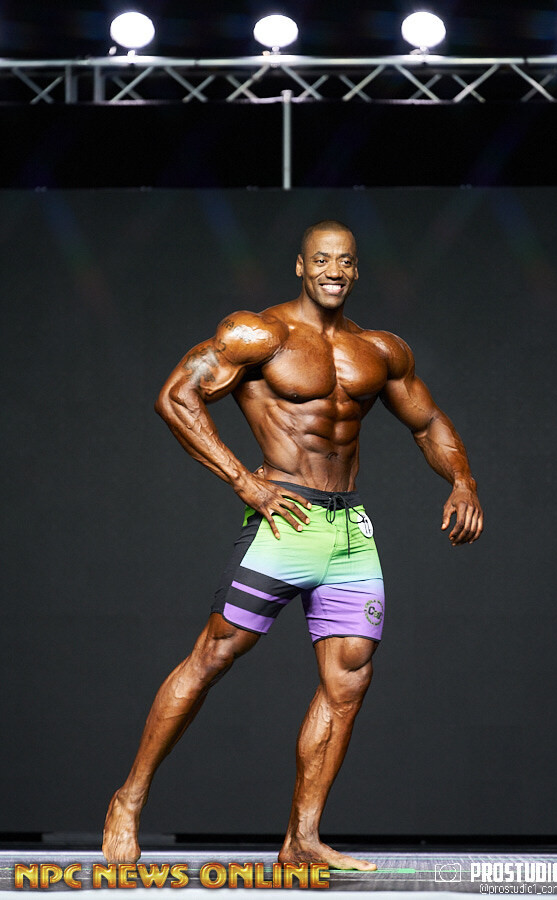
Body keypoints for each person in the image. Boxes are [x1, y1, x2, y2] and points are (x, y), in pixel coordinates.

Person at [102, 220, 483, 871]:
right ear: (302, 267)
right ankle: (128, 799)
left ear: (356, 270)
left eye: (346, 261)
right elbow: (176, 397)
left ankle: (301, 838)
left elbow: (427, 422)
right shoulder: (259, 334)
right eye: (322, 260)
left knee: (349, 679)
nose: (334, 270)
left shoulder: (379, 349)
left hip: (348, 531)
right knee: (215, 654)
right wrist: (242, 480)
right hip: (285, 520)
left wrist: (463, 479)